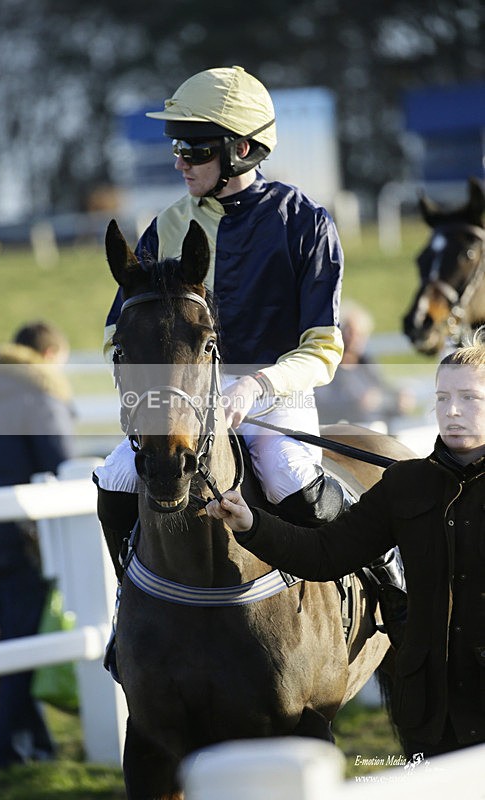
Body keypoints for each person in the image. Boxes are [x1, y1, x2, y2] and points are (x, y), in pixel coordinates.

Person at [94, 66, 403, 601]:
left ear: (240, 149)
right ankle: (133, 599)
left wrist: (255, 385)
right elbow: (116, 330)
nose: (179, 162)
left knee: (286, 474)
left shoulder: (305, 222)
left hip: (271, 395)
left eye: (193, 149)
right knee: (117, 477)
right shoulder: (166, 225)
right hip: (182, 399)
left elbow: (324, 348)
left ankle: (389, 575)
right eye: (177, 149)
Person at [206, 326, 485, 760]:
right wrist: (250, 523)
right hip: (431, 716)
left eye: (469, 398)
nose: (452, 411)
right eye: (443, 398)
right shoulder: (406, 484)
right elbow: (325, 555)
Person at [0, 321, 75, 768]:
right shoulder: (39, 397)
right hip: (20, 537)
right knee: (25, 642)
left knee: (12, 640)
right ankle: (10, 748)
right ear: (47, 357)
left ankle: (34, 743)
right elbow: (63, 461)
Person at [315, 299, 416, 427]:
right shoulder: (327, 366)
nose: (356, 339)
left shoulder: (367, 365)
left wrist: (399, 403)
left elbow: (383, 396)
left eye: (361, 334)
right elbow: (321, 404)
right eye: (351, 332)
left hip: (376, 432)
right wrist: (355, 405)